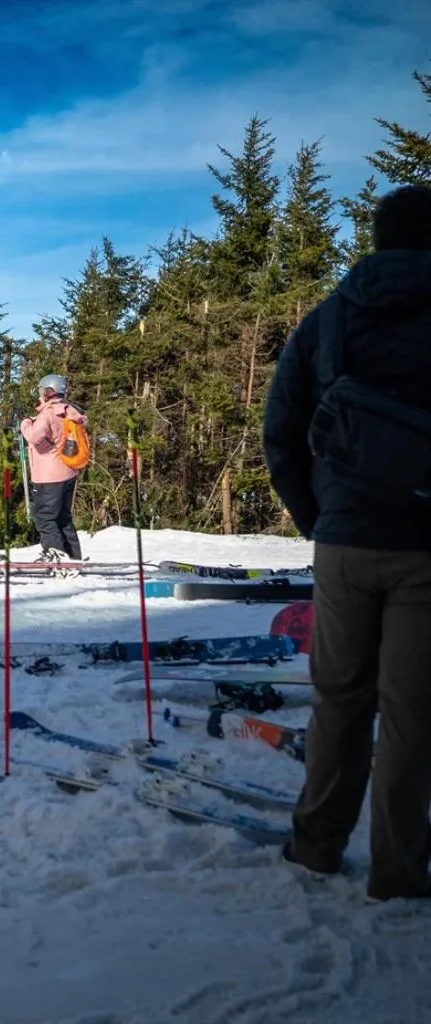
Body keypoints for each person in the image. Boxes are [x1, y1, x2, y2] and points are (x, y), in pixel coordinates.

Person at [262, 183, 431, 902]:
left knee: (337, 700)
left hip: (342, 540)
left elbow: (281, 432)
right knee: (411, 710)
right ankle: (398, 870)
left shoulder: (327, 320)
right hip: (426, 548)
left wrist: (318, 517)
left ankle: (316, 847)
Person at [18, 374, 87, 560]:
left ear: (49, 391)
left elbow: (33, 437)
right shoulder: (69, 411)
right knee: (63, 517)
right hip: (68, 472)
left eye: (42, 390)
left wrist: (25, 423)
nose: (40, 394)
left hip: (49, 477)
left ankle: (57, 558)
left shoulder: (48, 414)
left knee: (45, 518)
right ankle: (73, 558)